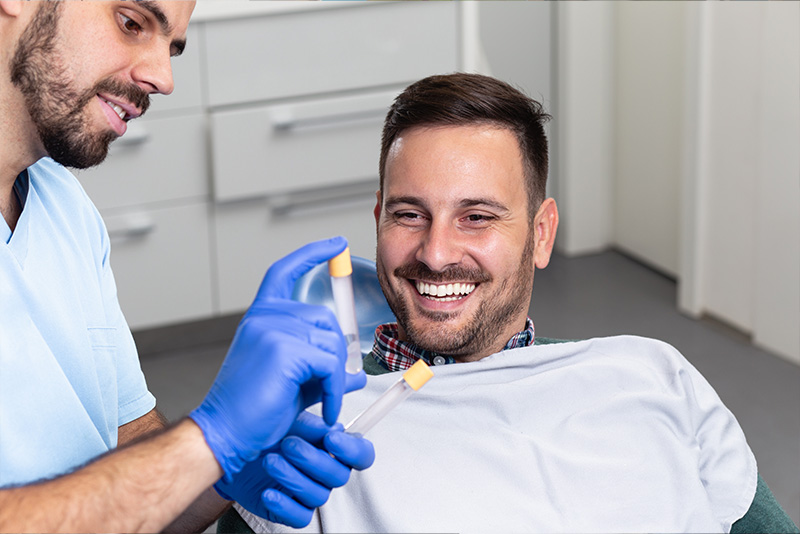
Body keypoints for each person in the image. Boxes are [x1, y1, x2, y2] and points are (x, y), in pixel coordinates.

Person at [236, 73, 800, 533]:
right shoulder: (305, 437)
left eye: (476, 217)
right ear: (378, 217)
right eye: (409, 214)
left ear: (542, 233)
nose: (435, 254)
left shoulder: (651, 374)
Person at [0, 2, 373, 532]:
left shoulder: (64, 206)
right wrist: (208, 441)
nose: (163, 77)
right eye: (131, 22)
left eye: (171, 47)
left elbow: (130, 461)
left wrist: (223, 476)